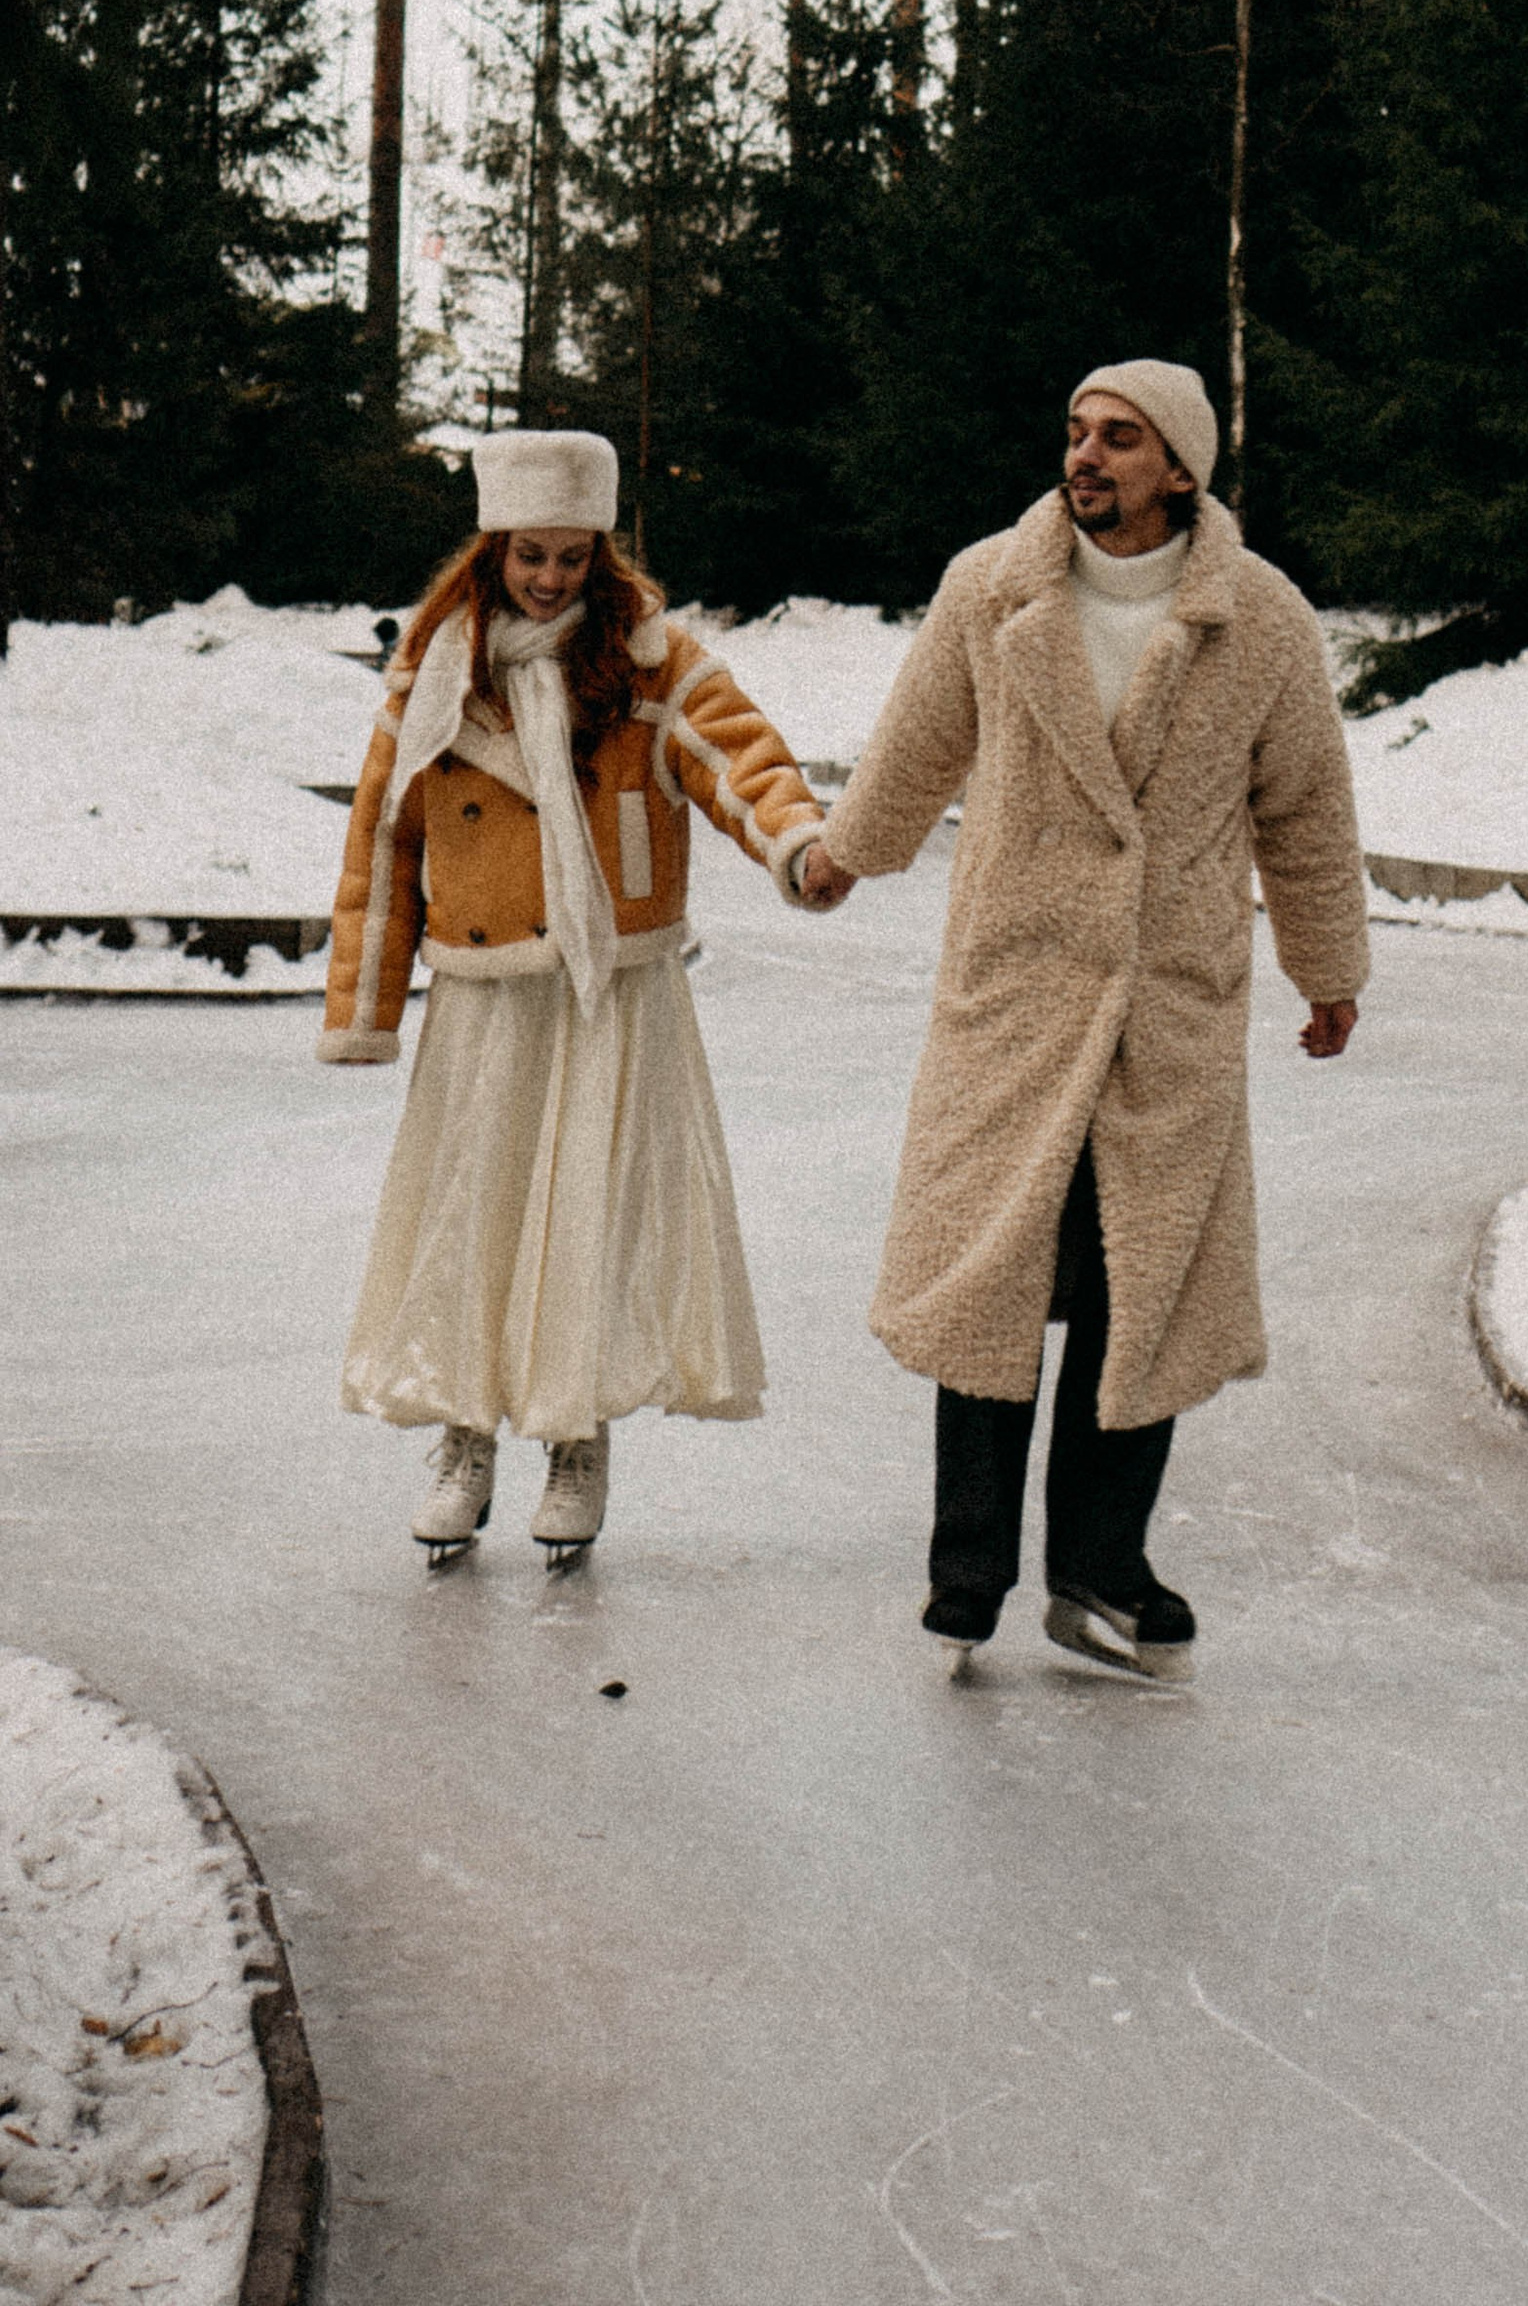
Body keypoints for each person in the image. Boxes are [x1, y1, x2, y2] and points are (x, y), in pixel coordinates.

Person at [798, 359, 1368, 1681]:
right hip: (1017, 988)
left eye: (1120, 439)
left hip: (1169, 1006)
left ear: (1180, 468)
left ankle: (1102, 1566)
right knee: (988, 1276)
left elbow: (1306, 811)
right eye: (1075, 432)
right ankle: (966, 1573)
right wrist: (844, 853)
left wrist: (1325, 969)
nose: (1087, 457)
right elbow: (917, 747)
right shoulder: (991, 586)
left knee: (1142, 1287)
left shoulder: (1262, 621)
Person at [319, 430, 829, 1566]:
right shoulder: (437, 672)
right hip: (486, 989)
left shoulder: (651, 661)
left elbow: (739, 756)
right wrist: (366, 1004)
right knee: (474, 1215)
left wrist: (795, 844)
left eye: (572, 558)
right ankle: (465, 1434)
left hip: (611, 990)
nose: (550, 578)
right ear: (494, 550)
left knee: (588, 1216)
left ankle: (577, 1437)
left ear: (601, 555)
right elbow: (384, 840)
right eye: (530, 555)